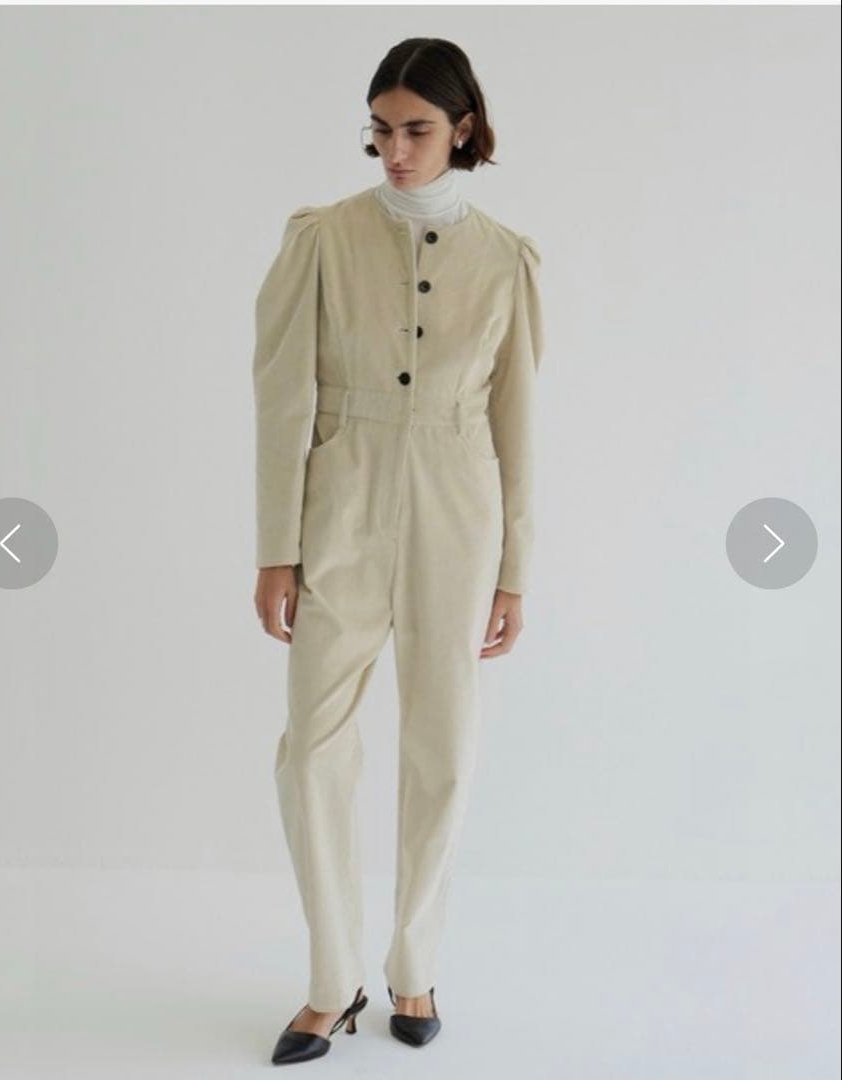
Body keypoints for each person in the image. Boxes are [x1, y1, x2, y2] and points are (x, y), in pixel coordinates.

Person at [252, 37, 544, 1066]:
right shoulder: (322, 238)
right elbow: (280, 397)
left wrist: (514, 569)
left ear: (462, 128)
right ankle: (332, 980)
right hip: (344, 498)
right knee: (311, 747)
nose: (394, 150)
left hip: (459, 506)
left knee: (442, 746)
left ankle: (413, 962)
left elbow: (517, 422)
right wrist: (275, 547)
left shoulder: (506, 259)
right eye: (380, 130)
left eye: (416, 129)